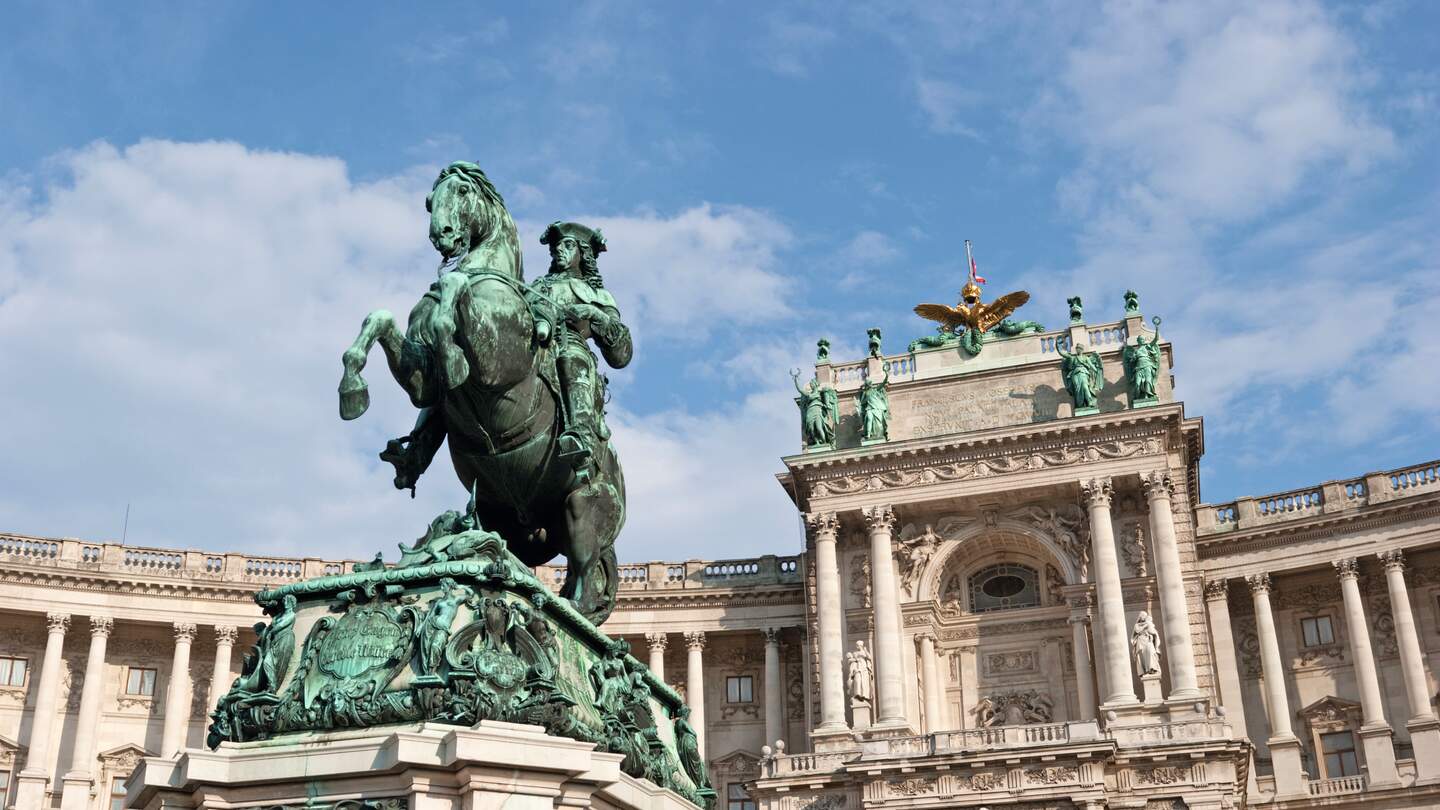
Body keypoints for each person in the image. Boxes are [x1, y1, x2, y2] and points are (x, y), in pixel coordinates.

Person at [531, 222, 634, 481]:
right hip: (531, 344)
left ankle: (581, 435)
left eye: (567, 245)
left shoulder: (598, 294)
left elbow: (621, 354)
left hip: (569, 345)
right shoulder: (536, 287)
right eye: (556, 246)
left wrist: (592, 313)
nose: (559, 250)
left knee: (572, 359)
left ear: (583, 253)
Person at [1131, 611, 1161, 675]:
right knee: (1142, 657)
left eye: (1145, 616)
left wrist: (1153, 634)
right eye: (1143, 616)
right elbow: (1137, 630)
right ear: (1140, 617)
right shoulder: (1137, 625)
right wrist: (1145, 625)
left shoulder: (1148, 623)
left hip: (1148, 640)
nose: (1144, 617)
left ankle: (1152, 668)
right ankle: (1144, 671)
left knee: (1150, 652)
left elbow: (1152, 631)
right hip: (1140, 641)